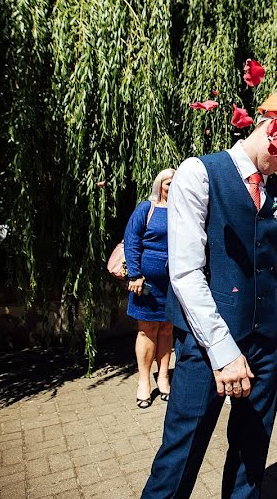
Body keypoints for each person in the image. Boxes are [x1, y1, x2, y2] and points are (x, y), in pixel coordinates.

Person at [142, 88, 277, 499]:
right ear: (272, 125)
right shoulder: (199, 173)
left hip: (266, 345)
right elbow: (185, 272)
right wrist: (223, 352)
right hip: (206, 347)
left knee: (249, 465)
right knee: (178, 461)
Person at [125, 168, 176, 409]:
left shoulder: (183, 210)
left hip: (174, 282)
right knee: (147, 330)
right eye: (168, 183)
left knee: (167, 329)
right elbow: (132, 240)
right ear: (159, 185)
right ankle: (144, 381)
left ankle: (163, 377)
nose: (172, 187)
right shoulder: (147, 208)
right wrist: (135, 274)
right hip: (146, 282)